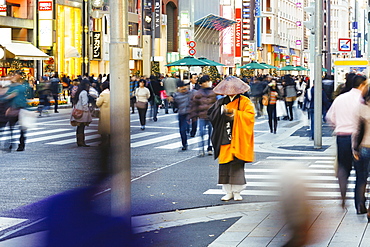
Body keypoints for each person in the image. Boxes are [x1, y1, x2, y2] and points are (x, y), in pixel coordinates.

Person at [326, 74, 369, 213]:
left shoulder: (340, 98)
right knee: (361, 173)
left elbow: (329, 118)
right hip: (360, 139)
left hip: (342, 137)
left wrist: (338, 126)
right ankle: (360, 204)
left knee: (343, 169)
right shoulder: (362, 100)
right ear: (362, 85)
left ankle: (343, 197)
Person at [208, 76, 255, 201]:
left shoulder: (245, 101)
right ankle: (228, 191)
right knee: (225, 164)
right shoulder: (221, 101)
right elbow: (212, 115)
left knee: (237, 164)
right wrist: (221, 111)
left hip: (238, 137)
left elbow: (250, 117)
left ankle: (237, 192)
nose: (231, 91)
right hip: (224, 137)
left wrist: (235, 113)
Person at [189, 75, 217, 157]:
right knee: (201, 132)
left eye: (207, 81)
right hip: (202, 116)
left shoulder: (213, 92)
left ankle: (209, 147)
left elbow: (216, 104)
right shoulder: (198, 93)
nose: (207, 83)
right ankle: (201, 149)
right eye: (205, 82)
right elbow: (194, 104)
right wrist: (193, 114)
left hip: (211, 116)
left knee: (211, 133)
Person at [1, 70, 28, 151]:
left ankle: (11, 144)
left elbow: (6, 98)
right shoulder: (24, 86)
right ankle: (21, 145)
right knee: (22, 129)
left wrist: (8, 98)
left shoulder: (13, 87)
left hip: (14, 109)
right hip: (22, 109)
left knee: (12, 128)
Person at [168, 81, 192, 151]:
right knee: (182, 130)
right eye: (180, 88)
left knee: (184, 128)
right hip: (181, 113)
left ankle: (185, 142)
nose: (182, 89)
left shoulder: (190, 93)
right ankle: (184, 144)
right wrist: (171, 101)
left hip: (188, 113)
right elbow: (174, 104)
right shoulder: (176, 95)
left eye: (184, 87)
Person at [70, 79, 92, 147]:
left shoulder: (79, 91)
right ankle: (81, 141)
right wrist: (87, 110)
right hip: (82, 111)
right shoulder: (84, 92)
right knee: (82, 126)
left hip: (77, 110)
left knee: (79, 127)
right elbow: (84, 103)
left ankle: (79, 141)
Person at [96, 81, 110, 146]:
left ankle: (104, 142)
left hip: (104, 112)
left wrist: (97, 99)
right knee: (111, 128)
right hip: (112, 112)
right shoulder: (112, 92)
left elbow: (98, 103)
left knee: (104, 128)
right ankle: (110, 141)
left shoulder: (103, 94)